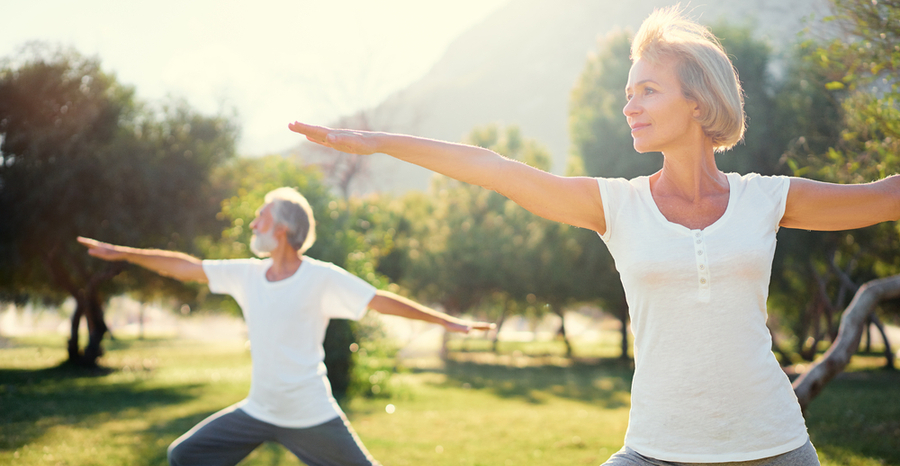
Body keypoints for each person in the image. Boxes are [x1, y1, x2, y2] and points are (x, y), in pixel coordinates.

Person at [288, 5, 899, 465]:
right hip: (657, 448)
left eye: (648, 91)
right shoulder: (617, 206)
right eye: (627, 93)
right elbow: (496, 170)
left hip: (774, 445)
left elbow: (882, 198)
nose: (630, 106)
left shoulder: (766, 199)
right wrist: (377, 140)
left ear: (698, 101)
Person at [78, 187, 493, 466]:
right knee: (184, 456)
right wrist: (123, 254)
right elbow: (186, 268)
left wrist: (446, 321)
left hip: (310, 413)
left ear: (282, 230)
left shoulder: (321, 277)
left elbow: (379, 301)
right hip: (258, 410)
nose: (253, 223)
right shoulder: (247, 274)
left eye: (261, 217)